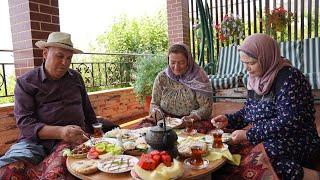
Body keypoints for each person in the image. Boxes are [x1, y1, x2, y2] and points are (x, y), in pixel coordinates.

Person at [0, 32, 117, 178]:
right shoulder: (26, 82)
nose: (65, 63)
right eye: (60, 56)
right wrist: (60, 132)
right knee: (7, 169)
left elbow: (88, 111)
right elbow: (25, 124)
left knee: (64, 170)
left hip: (75, 138)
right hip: (35, 143)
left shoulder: (75, 78)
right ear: (45, 53)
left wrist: (97, 135)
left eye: (69, 58)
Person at [211, 33, 320, 179]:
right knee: (229, 149)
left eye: (251, 63)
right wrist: (228, 119)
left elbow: (289, 121)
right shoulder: (256, 79)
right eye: (244, 63)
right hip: (268, 136)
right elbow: (248, 112)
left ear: (266, 57)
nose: (247, 69)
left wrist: (250, 135)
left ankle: (314, 176)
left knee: (263, 158)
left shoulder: (290, 78)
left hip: (298, 139)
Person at [139, 43, 214, 133]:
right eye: (172, 62)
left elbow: (207, 108)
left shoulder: (199, 77)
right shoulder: (161, 77)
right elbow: (154, 103)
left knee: (203, 136)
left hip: (191, 121)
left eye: (181, 62)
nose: (176, 67)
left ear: (188, 61)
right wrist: (157, 113)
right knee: (142, 131)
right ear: (168, 61)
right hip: (165, 120)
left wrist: (190, 118)